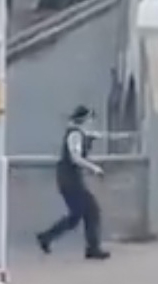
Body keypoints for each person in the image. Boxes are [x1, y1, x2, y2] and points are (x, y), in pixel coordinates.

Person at [37, 105, 109, 260]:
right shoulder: (75, 135)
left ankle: (46, 237)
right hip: (70, 179)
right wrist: (94, 168)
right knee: (92, 210)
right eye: (91, 119)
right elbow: (75, 157)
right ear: (84, 119)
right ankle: (93, 248)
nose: (92, 122)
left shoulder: (78, 133)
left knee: (76, 216)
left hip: (68, 178)